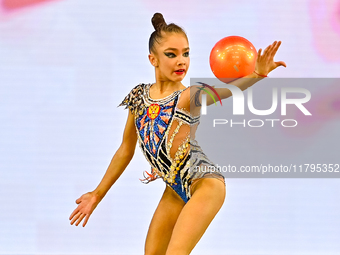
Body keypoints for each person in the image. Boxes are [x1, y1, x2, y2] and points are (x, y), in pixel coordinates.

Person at [69, 12, 286, 255]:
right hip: (173, 189)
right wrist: (96, 194)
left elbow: (227, 91)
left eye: (186, 53)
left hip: (205, 183)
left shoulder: (189, 95)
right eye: (171, 54)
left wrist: (256, 75)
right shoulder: (139, 96)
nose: (181, 61)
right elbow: (125, 150)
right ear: (153, 59)